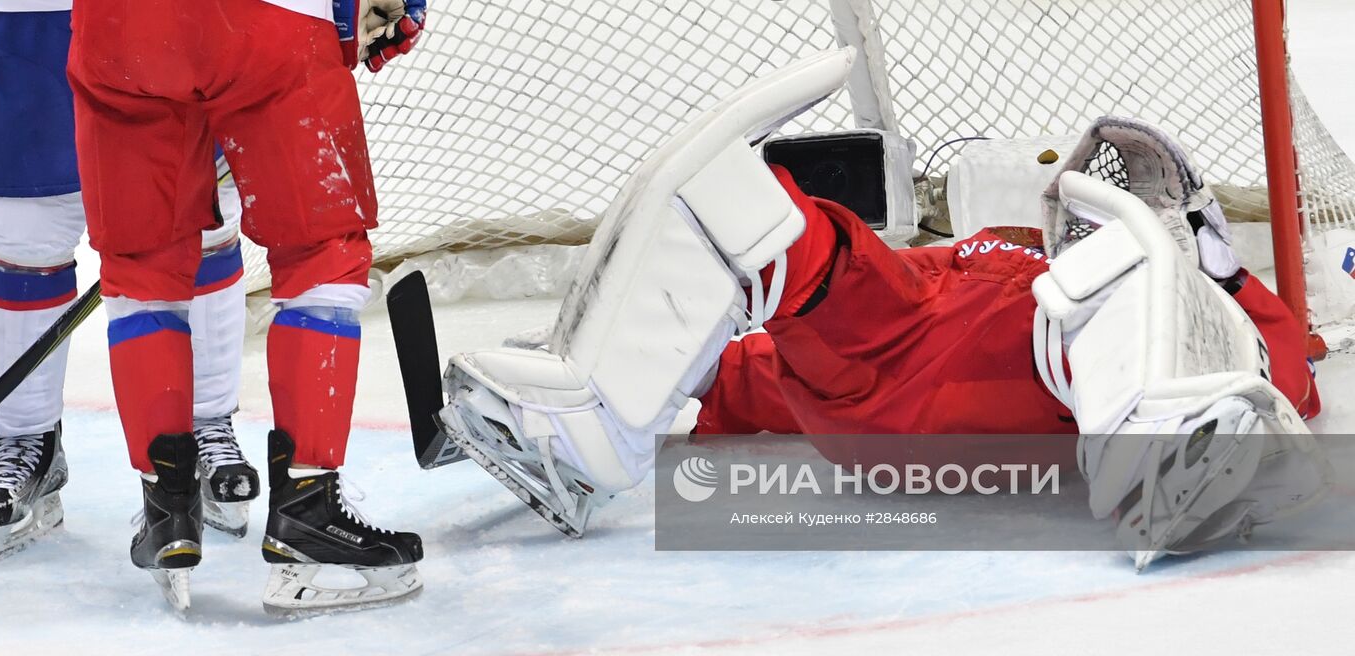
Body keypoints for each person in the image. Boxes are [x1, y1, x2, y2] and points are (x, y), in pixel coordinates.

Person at [436, 51, 1330, 570]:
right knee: (759, 224)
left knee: (789, 247)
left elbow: (1284, 371)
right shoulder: (1010, 257)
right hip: (890, 383)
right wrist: (679, 368)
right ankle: (584, 419)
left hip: (950, 410)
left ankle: (1170, 456)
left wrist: (1222, 278)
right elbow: (809, 353)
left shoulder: (1154, 300)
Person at [65, 0, 428, 613]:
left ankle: (166, 513)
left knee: (141, 263)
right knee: (321, 249)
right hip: (263, 23)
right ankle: (308, 511)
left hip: (117, 30)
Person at [0, 2, 258, 563]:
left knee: (203, 218)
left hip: (170, 15)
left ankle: (205, 425)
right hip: (25, 20)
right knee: (25, 232)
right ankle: (30, 443)